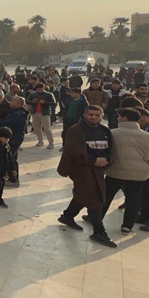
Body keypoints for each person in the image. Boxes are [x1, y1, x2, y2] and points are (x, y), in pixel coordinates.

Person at [56, 105, 117, 248]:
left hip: (98, 170)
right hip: (81, 170)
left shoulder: (104, 131)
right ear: (85, 115)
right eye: (91, 114)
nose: (93, 117)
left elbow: (111, 149)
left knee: (83, 194)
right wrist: (92, 160)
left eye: (97, 115)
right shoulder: (76, 130)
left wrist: (106, 162)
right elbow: (73, 151)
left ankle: (68, 215)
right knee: (94, 198)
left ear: (102, 116)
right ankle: (99, 231)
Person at [99, 108, 149, 234]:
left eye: (119, 117)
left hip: (115, 172)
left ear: (124, 118)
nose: (118, 119)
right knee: (133, 200)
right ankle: (127, 226)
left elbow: (103, 153)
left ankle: (97, 220)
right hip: (138, 175)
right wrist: (147, 170)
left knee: (106, 197)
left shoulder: (111, 133)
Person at [26, 83, 57, 149]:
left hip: (45, 113)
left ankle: (51, 142)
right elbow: (28, 101)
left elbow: (54, 103)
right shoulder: (32, 94)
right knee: (37, 128)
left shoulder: (49, 94)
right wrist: (33, 102)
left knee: (47, 128)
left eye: (41, 89)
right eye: (38, 89)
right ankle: (40, 140)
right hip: (35, 113)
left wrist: (45, 102)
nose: (40, 90)